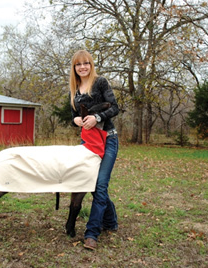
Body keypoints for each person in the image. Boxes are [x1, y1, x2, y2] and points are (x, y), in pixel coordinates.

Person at [69, 50, 119, 250]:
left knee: (99, 186)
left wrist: (97, 118)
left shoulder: (101, 83)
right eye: (78, 64)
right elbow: (73, 116)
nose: (82, 67)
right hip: (88, 142)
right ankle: (111, 220)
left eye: (86, 63)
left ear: (91, 65)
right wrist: (76, 120)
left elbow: (114, 107)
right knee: (92, 184)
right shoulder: (74, 90)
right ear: (74, 68)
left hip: (108, 139)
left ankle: (91, 234)